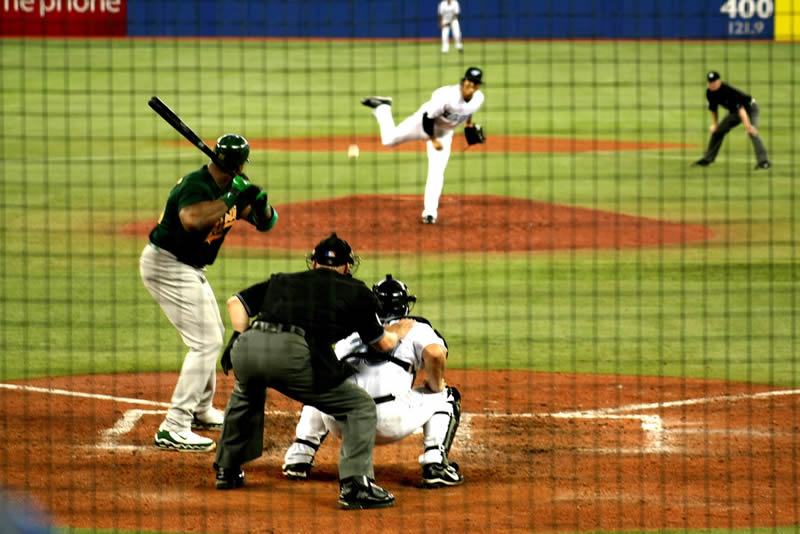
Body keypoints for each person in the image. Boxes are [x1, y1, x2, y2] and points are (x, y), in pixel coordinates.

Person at [213, 234, 416, 511]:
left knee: (246, 394)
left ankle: (227, 469)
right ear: (347, 266)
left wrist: (243, 336)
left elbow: (234, 303)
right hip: (293, 353)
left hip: (249, 345)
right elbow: (381, 343)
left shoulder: (283, 280)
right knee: (359, 406)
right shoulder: (356, 291)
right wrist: (398, 331)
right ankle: (355, 486)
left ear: (314, 262)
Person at [140, 133, 278, 452]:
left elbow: (267, 223)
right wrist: (232, 196)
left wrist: (260, 203)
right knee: (206, 342)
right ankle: (174, 426)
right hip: (167, 264)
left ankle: (201, 409)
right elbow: (191, 221)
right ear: (240, 162)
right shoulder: (196, 184)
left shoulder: (234, 184)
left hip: (189, 267)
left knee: (212, 334)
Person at [282, 274, 463, 488]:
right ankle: (435, 465)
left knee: (324, 386)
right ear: (405, 305)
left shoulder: (351, 325)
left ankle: (299, 457)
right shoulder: (417, 327)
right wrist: (435, 386)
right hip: (387, 422)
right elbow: (434, 354)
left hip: (339, 420)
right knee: (446, 395)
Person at [361, 66, 485, 224]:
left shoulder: (479, 98)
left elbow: (468, 111)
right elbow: (428, 118)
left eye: (475, 84)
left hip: (445, 134)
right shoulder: (446, 96)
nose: (471, 86)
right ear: (463, 82)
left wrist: (468, 125)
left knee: (437, 171)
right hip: (422, 123)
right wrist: (433, 140)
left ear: (478, 86)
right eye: (469, 82)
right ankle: (383, 107)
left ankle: (430, 213)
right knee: (389, 140)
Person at [693, 71, 771, 170]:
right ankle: (708, 159)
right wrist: (715, 124)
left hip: (750, 108)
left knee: (752, 131)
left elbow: (742, 110)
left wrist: (748, 126)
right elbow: (713, 109)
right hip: (735, 112)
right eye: (710, 82)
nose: (712, 84)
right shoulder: (710, 93)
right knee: (717, 132)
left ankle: (764, 162)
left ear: (720, 81)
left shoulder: (727, 91)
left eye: (714, 82)